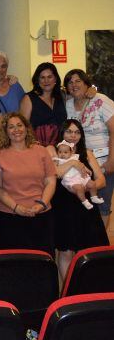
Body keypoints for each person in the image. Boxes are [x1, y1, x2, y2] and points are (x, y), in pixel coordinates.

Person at [47, 119, 109, 280]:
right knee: (66, 249)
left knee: (90, 248)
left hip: (85, 205)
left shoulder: (86, 153)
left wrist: (88, 186)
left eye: (77, 132)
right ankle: (69, 290)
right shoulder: (52, 150)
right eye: (69, 131)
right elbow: (55, 173)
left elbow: (101, 180)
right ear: (62, 132)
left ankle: (89, 289)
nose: (73, 136)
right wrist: (73, 163)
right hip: (62, 205)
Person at [0, 113, 56, 255]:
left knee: (42, 262)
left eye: (20, 125)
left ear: (27, 128)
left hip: (41, 215)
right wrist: (16, 208)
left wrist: (42, 204)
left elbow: (50, 181)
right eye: (11, 127)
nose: (16, 130)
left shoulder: (41, 151)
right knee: (13, 264)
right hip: (9, 217)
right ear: (6, 131)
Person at [64, 69, 114, 225]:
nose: (74, 85)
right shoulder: (67, 105)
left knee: (103, 205)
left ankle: (100, 245)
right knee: (84, 206)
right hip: (79, 165)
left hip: (103, 162)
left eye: (78, 81)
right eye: (70, 82)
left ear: (86, 83)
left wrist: (111, 161)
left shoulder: (100, 100)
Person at [19, 63, 66, 146]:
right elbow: (22, 127)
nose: (46, 81)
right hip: (37, 148)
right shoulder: (29, 98)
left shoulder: (62, 96)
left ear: (55, 79)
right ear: (37, 80)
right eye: (42, 77)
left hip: (61, 148)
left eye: (49, 77)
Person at [54, 140, 104, 209]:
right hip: (70, 180)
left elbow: (81, 165)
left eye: (65, 152)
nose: (62, 154)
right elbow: (55, 170)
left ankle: (94, 197)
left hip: (80, 177)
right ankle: (84, 201)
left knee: (92, 184)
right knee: (79, 188)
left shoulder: (74, 157)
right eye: (60, 152)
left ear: (71, 152)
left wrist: (87, 169)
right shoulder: (58, 160)